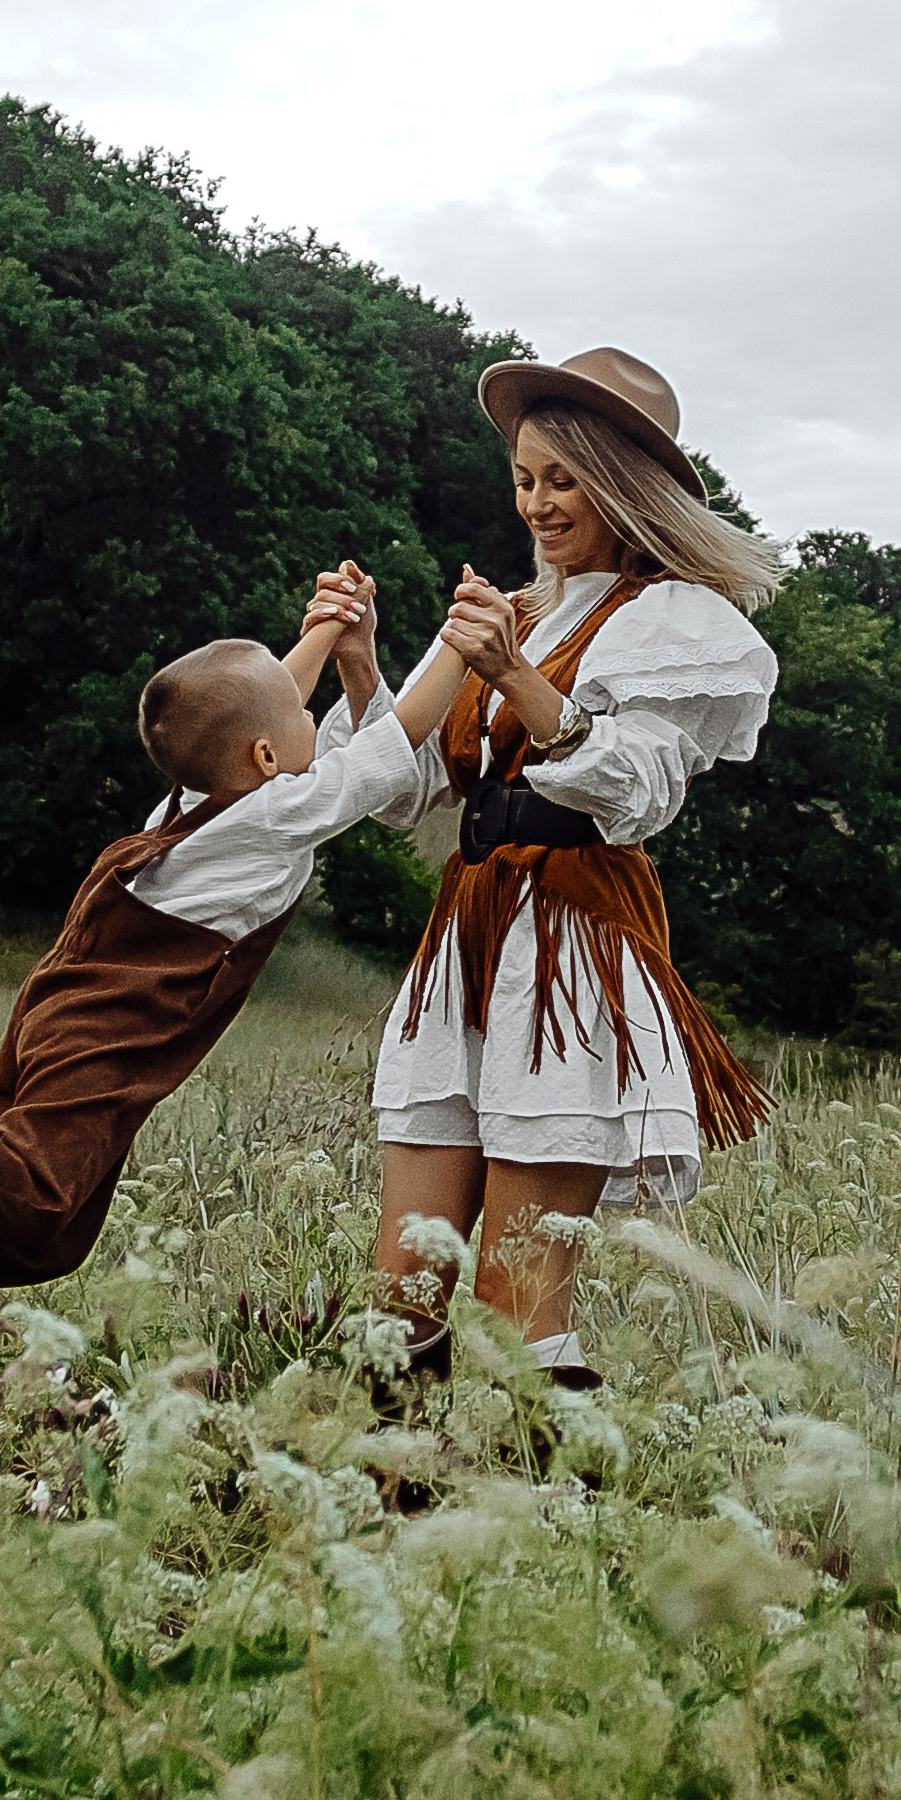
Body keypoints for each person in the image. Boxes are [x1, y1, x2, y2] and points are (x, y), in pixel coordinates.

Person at [0, 569, 469, 1342]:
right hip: (106, 1033)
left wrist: (328, 628)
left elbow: (259, 703)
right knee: (40, 1196)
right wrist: (463, 641)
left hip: (69, 1012)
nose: (309, 713)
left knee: (56, 1235)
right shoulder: (274, 812)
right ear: (263, 754)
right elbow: (390, 745)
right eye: (301, 714)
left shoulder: (206, 796)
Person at [318, 345, 781, 1397]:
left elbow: (636, 793)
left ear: (621, 484)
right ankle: (388, 1481)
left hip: (572, 941)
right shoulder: (519, 613)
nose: (536, 503)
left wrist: (513, 674)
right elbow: (406, 790)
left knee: (512, 1298)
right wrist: (360, 662)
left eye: (563, 479)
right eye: (524, 478)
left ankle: (537, 1487)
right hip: (469, 935)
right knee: (403, 1288)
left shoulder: (667, 622)